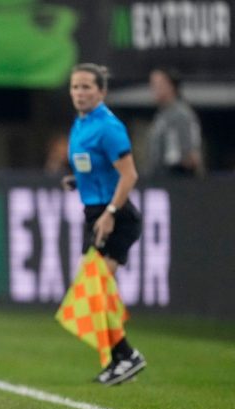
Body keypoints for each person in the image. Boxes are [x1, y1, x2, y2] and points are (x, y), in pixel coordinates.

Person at [61, 63, 146, 386]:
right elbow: (95, 168)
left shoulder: (109, 127)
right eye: (75, 87)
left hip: (117, 217)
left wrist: (110, 212)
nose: (79, 93)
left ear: (102, 91)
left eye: (86, 87)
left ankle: (127, 355)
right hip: (96, 213)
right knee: (93, 291)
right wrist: (78, 181)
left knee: (93, 288)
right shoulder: (82, 123)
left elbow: (130, 175)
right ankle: (119, 359)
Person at [146, 67, 204, 177]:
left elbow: (191, 157)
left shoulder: (181, 114)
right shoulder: (161, 115)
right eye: (152, 85)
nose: (153, 89)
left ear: (171, 86)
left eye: (158, 85)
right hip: (158, 177)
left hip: (175, 178)